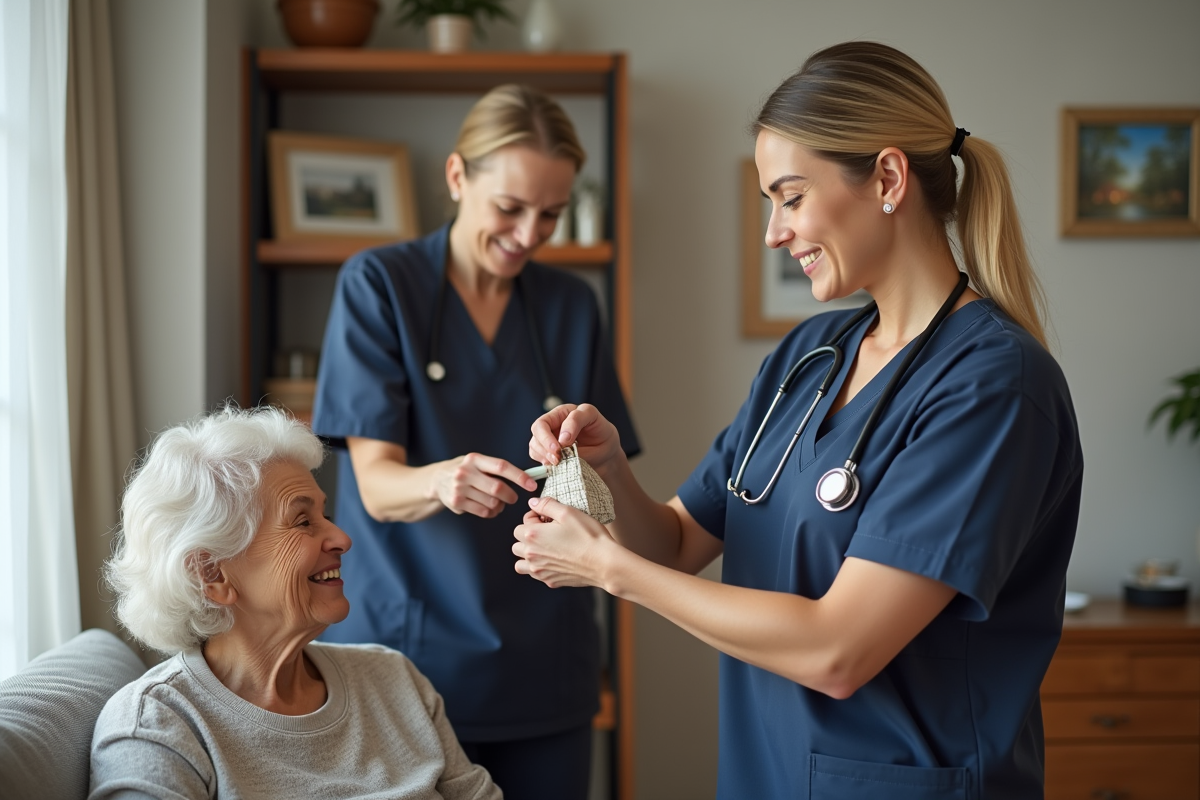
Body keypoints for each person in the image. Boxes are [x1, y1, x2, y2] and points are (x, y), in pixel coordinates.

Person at [513, 42, 1083, 800]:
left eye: (790, 196)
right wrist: (608, 467)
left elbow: (839, 650)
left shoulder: (993, 386)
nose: (774, 233)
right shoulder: (810, 357)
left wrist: (609, 572)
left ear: (887, 178)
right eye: (769, 204)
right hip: (766, 775)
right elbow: (680, 542)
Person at [311, 84, 639, 799]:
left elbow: (606, 482)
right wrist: (439, 480)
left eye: (551, 214)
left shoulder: (570, 307)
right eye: (510, 208)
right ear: (458, 178)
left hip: (544, 665)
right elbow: (375, 486)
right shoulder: (379, 286)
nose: (530, 233)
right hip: (402, 663)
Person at [89, 406, 501, 800]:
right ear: (212, 574)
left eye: (325, 514)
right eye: (303, 521)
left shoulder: (395, 680)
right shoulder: (157, 726)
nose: (342, 538)